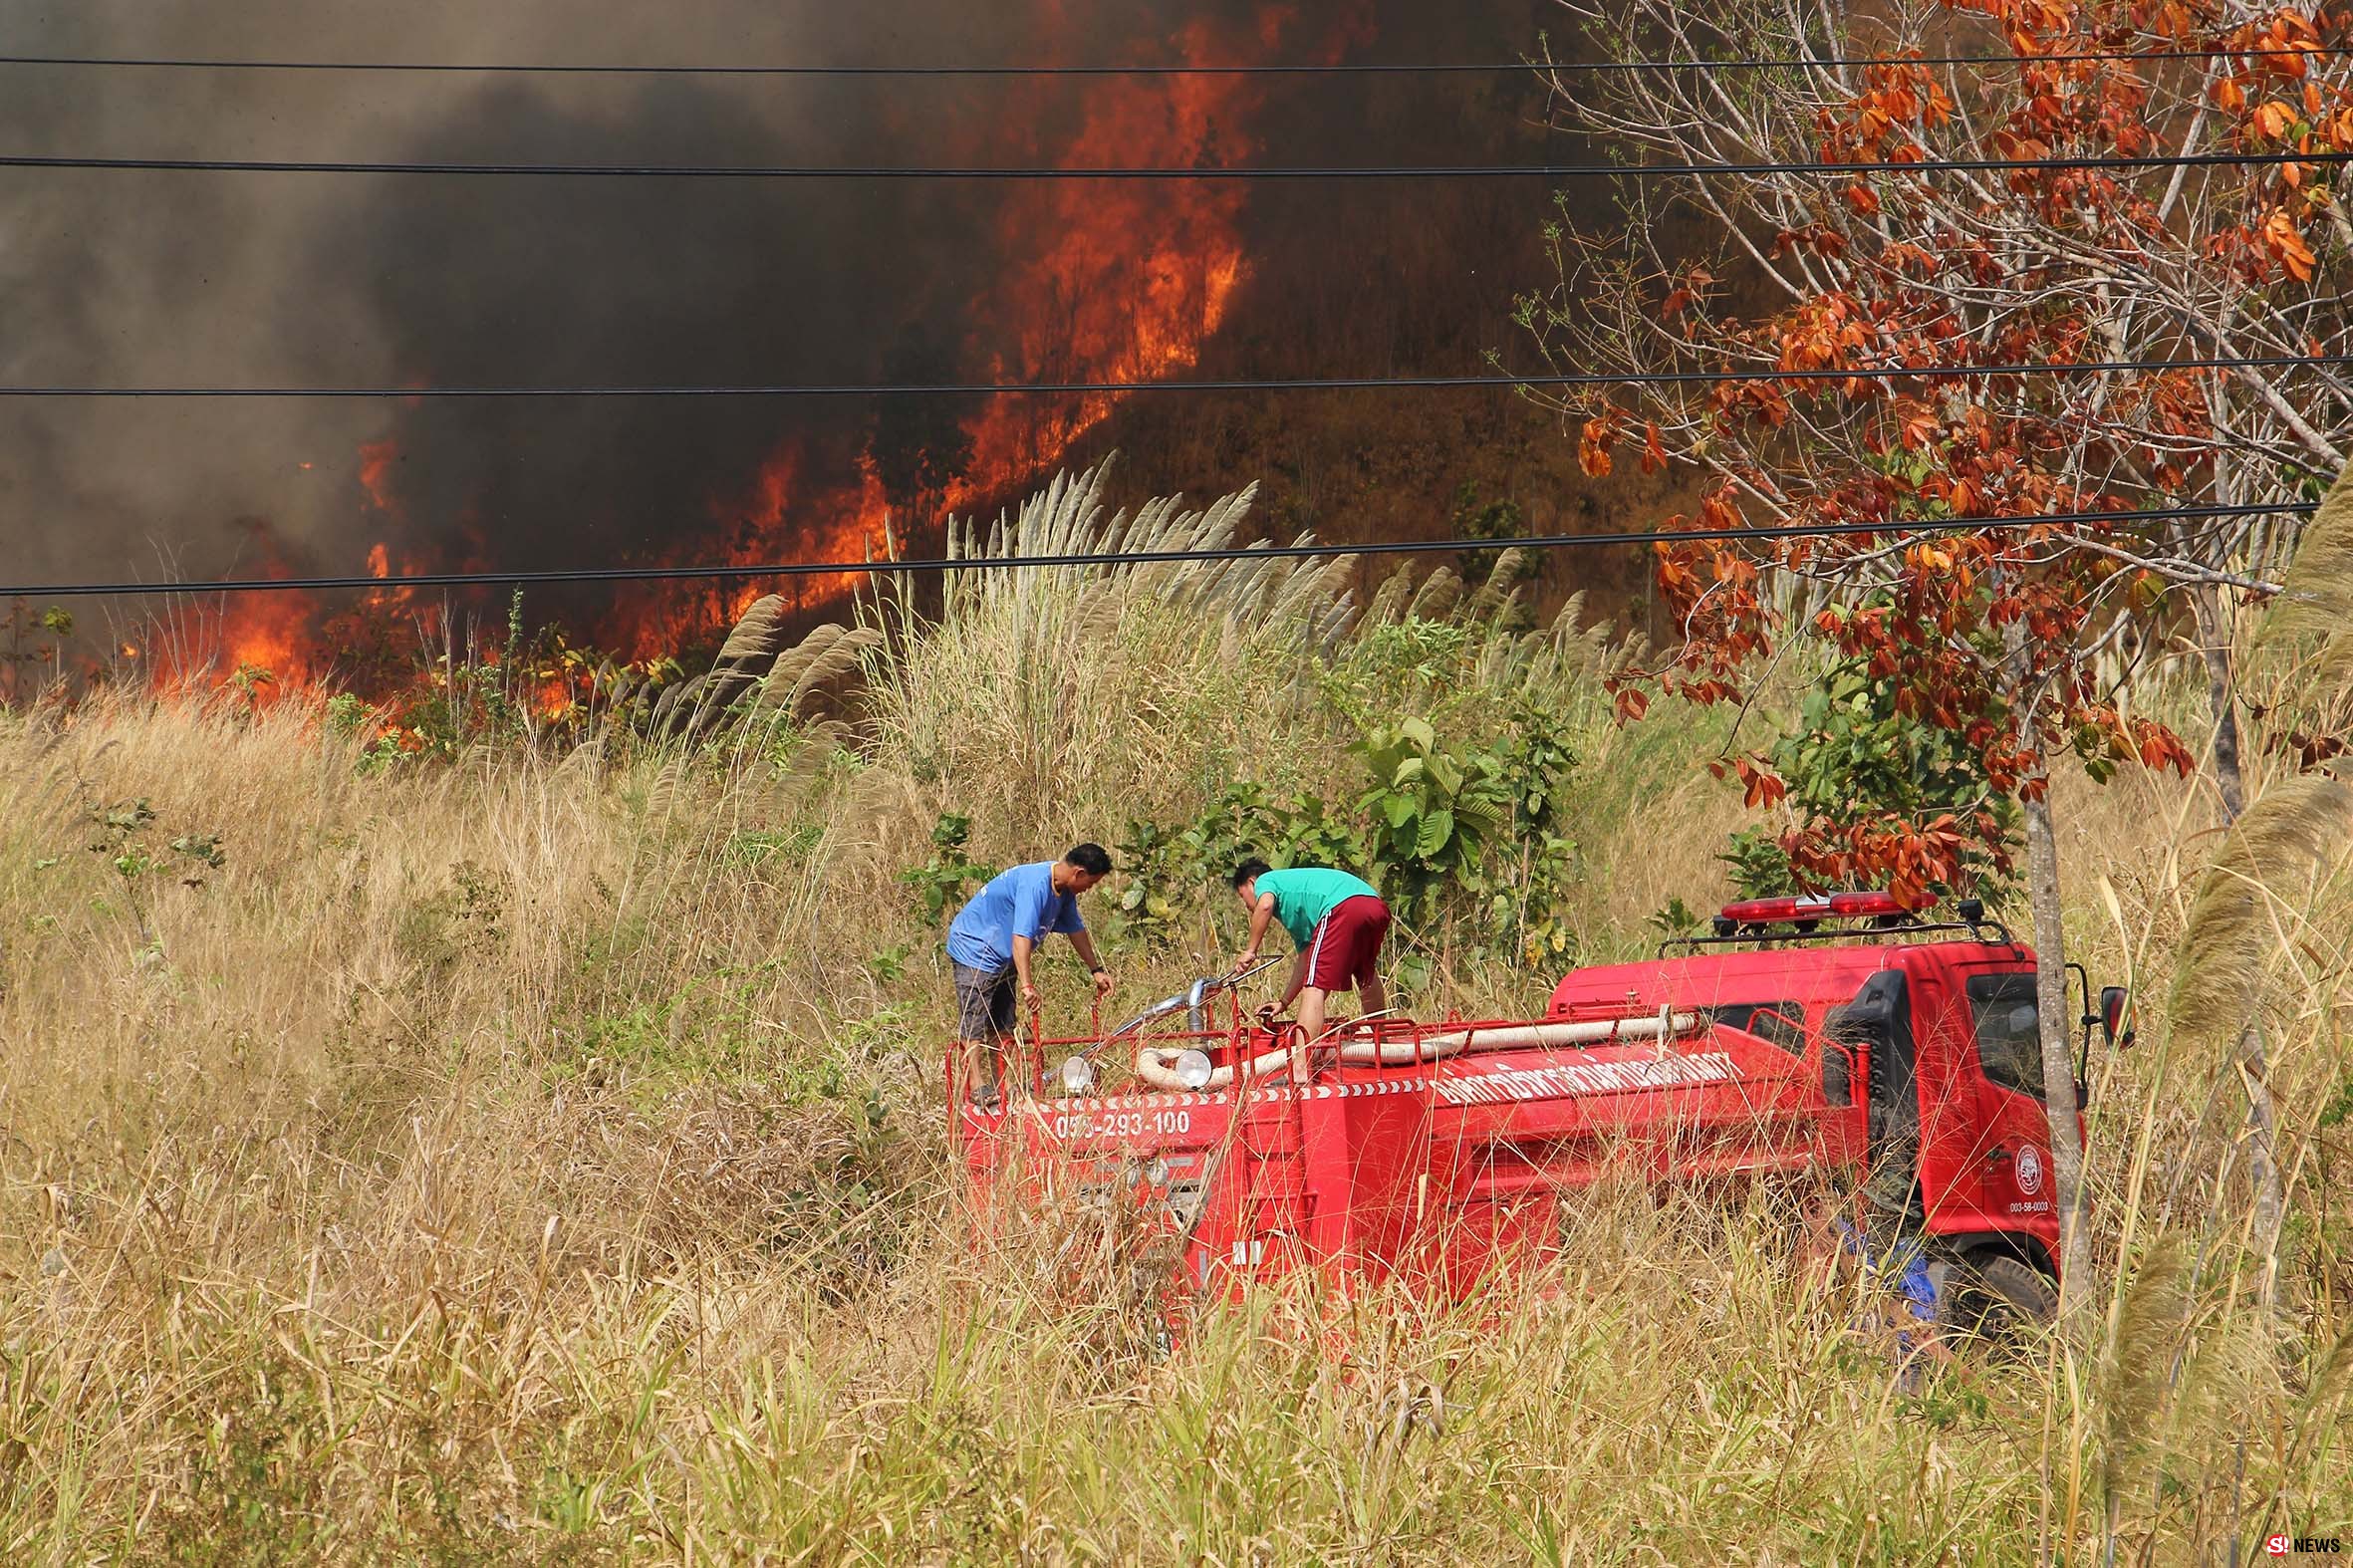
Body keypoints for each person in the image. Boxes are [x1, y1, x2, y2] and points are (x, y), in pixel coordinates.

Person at [946, 844, 1116, 1107]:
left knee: (1004, 1022)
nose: (1089, 889)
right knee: (975, 1019)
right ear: (1079, 873)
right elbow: (1021, 937)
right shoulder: (1035, 884)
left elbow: (1076, 930)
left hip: (1003, 957)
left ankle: (1004, 1084)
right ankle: (977, 1085)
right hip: (975, 950)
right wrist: (1027, 985)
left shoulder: (1064, 892)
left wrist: (1096, 970)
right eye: (1091, 883)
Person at [1231, 858, 1392, 1048]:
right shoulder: (1299, 910)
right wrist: (1284, 1002)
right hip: (1375, 906)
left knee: (1314, 987)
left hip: (1342, 905)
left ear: (1251, 882)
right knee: (1365, 974)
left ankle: (1302, 1061)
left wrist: (1251, 950)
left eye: (1243, 896)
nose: (1247, 906)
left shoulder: (1266, 880)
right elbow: (1306, 960)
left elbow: (1265, 905)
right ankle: (1381, 1043)